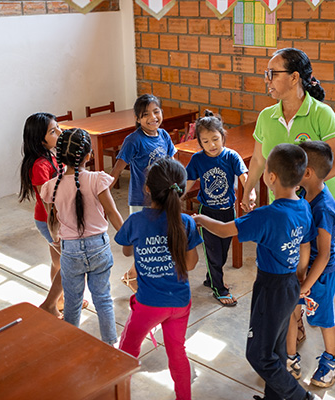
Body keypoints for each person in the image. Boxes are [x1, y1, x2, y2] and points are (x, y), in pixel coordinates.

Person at [195, 144, 316, 400]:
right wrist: (300, 277)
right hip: (290, 283)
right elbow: (305, 244)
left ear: (271, 176)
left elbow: (225, 229)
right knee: (276, 347)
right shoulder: (303, 206)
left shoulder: (267, 215)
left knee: (259, 354)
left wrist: (199, 220)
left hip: (271, 287)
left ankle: (301, 398)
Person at [241, 47, 335, 262]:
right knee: (291, 265)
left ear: (294, 77)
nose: (268, 80)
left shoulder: (321, 113)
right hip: (286, 206)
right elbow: (258, 159)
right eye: (267, 73)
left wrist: (298, 186)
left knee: (322, 267)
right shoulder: (266, 117)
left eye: (273, 73)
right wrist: (248, 191)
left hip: (321, 204)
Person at [115, 157, 202, 400]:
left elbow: (125, 250)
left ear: (147, 189)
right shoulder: (186, 222)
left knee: (127, 351)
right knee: (177, 353)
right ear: (181, 191)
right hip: (180, 304)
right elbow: (192, 263)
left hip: (148, 305)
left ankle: (120, 395)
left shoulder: (136, 222)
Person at [41, 128, 123, 345]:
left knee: (73, 303)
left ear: (59, 157)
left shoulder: (52, 186)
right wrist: (128, 238)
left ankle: (70, 346)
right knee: (103, 299)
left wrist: (57, 240)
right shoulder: (97, 180)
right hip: (99, 247)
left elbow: (53, 218)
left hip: (71, 251)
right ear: (89, 156)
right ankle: (110, 345)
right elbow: (113, 213)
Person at [285, 141, 335, 388]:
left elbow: (324, 255)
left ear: (306, 173)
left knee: (323, 318)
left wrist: (306, 283)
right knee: (290, 311)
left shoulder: (324, 208)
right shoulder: (304, 194)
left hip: (321, 275)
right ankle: (289, 358)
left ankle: (332, 360)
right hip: (301, 270)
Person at [111, 94, 178, 293]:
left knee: (158, 239)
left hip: (163, 197)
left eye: (156, 111)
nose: (152, 117)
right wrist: (101, 192)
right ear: (137, 119)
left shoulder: (164, 136)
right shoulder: (133, 140)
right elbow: (117, 169)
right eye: (145, 114)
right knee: (143, 241)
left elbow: (173, 163)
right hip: (142, 200)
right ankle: (136, 276)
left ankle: (133, 274)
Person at [183, 110, 248, 307]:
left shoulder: (231, 157)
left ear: (222, 137)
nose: (212, 145)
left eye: (215, 139)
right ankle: (219, 289)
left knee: (223, 251)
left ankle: (212, 278)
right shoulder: (197, 159)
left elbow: (244, 175)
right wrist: (174, 198)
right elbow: (188, 183)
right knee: (213, 252)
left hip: (228, 212)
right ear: (200, 143)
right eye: (206, 141)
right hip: (207, 213)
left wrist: (249, 194)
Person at [17, 112, 64, 318]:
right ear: (40, 139)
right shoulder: (40, 166)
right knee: (70, 263)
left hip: (55, 219)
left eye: (58, 127)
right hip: (50, 221)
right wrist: (56, 230)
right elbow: (48, 204)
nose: (60, 132)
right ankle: (50, 303)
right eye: (53, 131)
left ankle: (61, 300)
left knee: (58, 262)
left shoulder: (53, 156)